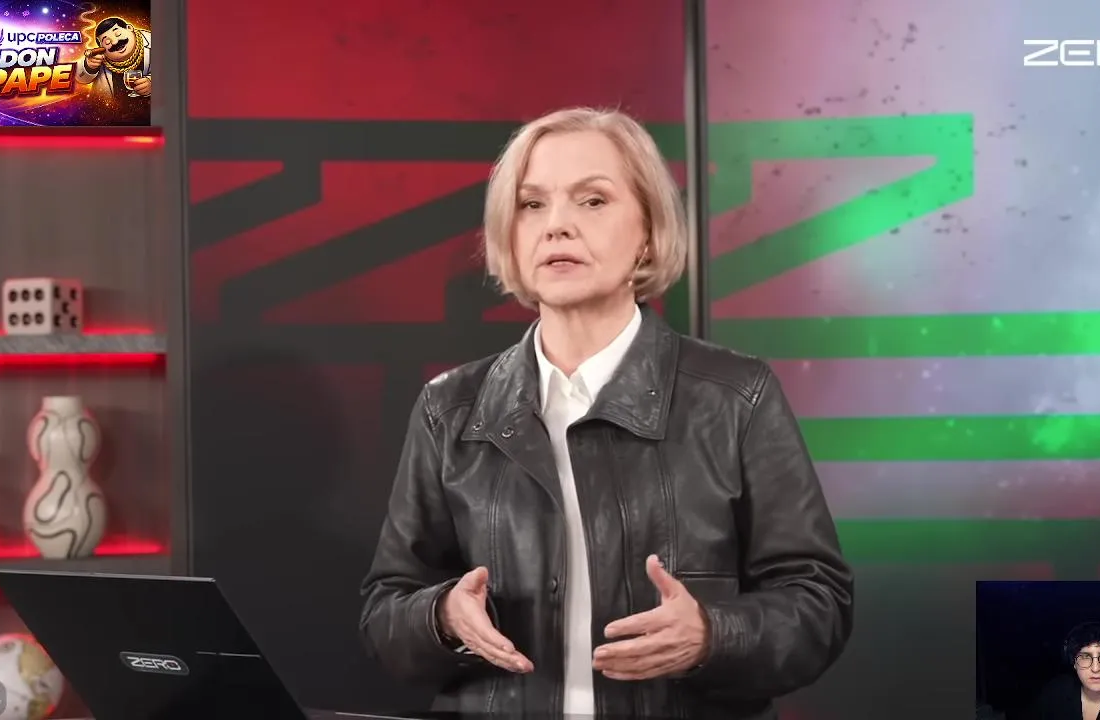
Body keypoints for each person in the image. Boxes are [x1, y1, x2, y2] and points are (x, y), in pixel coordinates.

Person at [359, 106, 854, 718]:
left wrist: (712, 635)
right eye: (532, 204)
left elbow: (818, 604)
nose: (556, 226)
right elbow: (385, 612)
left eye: (592, 201)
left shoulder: (736, 396)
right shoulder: (449, 408)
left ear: (648, 231)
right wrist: (441, 617)